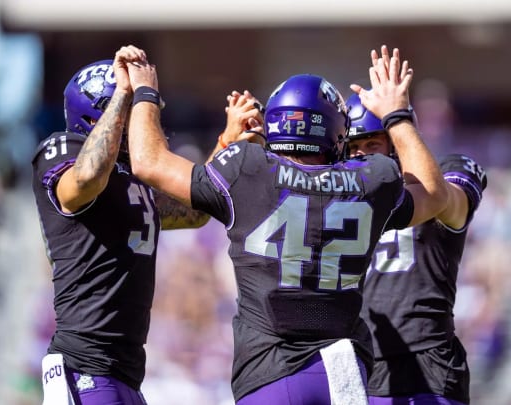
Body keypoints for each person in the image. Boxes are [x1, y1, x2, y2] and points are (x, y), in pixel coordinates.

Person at [124, 44, 449, 404]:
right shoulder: (373, 178)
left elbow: (148, 161)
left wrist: (145, 90)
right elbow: (434, 194)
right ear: (337, 132)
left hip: (269, 372)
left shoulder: (246, 168)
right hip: (342, 370)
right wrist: (396, 114)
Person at [31, 47, 213, 404]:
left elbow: (195, 211)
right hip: (85, 364)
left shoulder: (132, 180)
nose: (141, 121)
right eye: (133, 111)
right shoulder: (62, 150)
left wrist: (228, 142)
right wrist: (124, 95)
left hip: (124, 372)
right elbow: (84, 180)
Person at [346, 92, 488, 405]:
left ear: (395, 145)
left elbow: (444, 200)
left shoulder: (444, 175)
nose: (361, 156)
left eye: (372, 144)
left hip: (428, 363)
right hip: (365, 365)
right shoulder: (340, 197)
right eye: (353, 147)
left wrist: (396, 118)